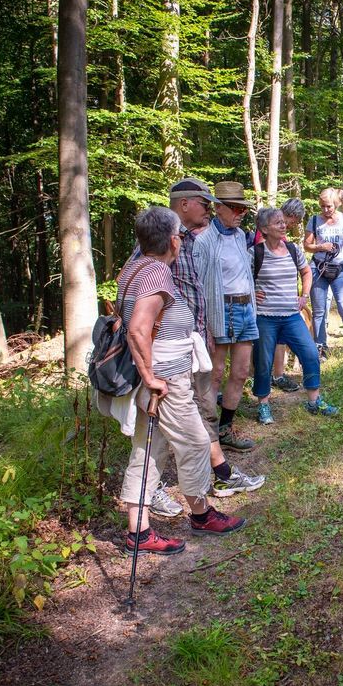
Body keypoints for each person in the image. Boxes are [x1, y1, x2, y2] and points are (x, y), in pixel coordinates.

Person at [117, 206, 246, 554]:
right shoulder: (156, 274)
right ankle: (202, 514)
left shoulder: (133, 269)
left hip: (155, 377)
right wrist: (151, 377)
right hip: (165, 380)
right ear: (173, 240)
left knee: (148, 450)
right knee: (195, 442)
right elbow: (137, 328)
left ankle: (138, 532)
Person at [136, 178, 264, 515]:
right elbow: (140, 295)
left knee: (196, 412)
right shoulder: (161, 240)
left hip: (189, 343)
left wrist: (201, 331)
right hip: (165, 352)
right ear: (183, 205)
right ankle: (162, 491)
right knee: (166, 425)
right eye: (203, 202)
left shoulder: (190, 240)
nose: (208, 208)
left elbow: (194, 291)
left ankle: (211, 479)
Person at [250, 207, 339, 425]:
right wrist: (252, 291)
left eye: (283, 222)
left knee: (310, 354)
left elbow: (306, 271)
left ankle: (314, 401)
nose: (283, 225)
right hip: (265, 317)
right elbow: (242, 278)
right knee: (264, 362)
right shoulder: (255, 253)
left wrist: (304, 295)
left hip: (291, 316)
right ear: (264, 228)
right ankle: (263, 405)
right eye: (277, 223)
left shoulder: (292, 249)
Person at [192, 181, 260, 452]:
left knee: (241, 371)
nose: (240, 213)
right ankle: (205, 435)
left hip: (245, 309)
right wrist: (203, 322)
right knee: (215, 373)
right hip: (220, 310)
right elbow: (197, 283)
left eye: (242, 209)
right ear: (218, 208)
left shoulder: (241, 235)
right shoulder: (204, 240)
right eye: (234, 208)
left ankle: (225, 430)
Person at [304, 187, 343, 357]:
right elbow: (306, 245)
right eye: (322, 206)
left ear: (336, 204)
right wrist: (320, 247)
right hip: (319, 269)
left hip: (341, 269)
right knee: (319, 310)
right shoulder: (314, 221)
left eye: (329, 206)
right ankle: (320, 347)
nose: (326, 210)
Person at [270, 197, 307, 392]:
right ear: (292, 216)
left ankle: (276, 374)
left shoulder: (278, 231)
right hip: (272, 298)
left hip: (283, 297)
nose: (291, 226)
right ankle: (275, 375)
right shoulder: (271, 229)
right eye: (295, 222)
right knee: (276, 337)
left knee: (280, 338)